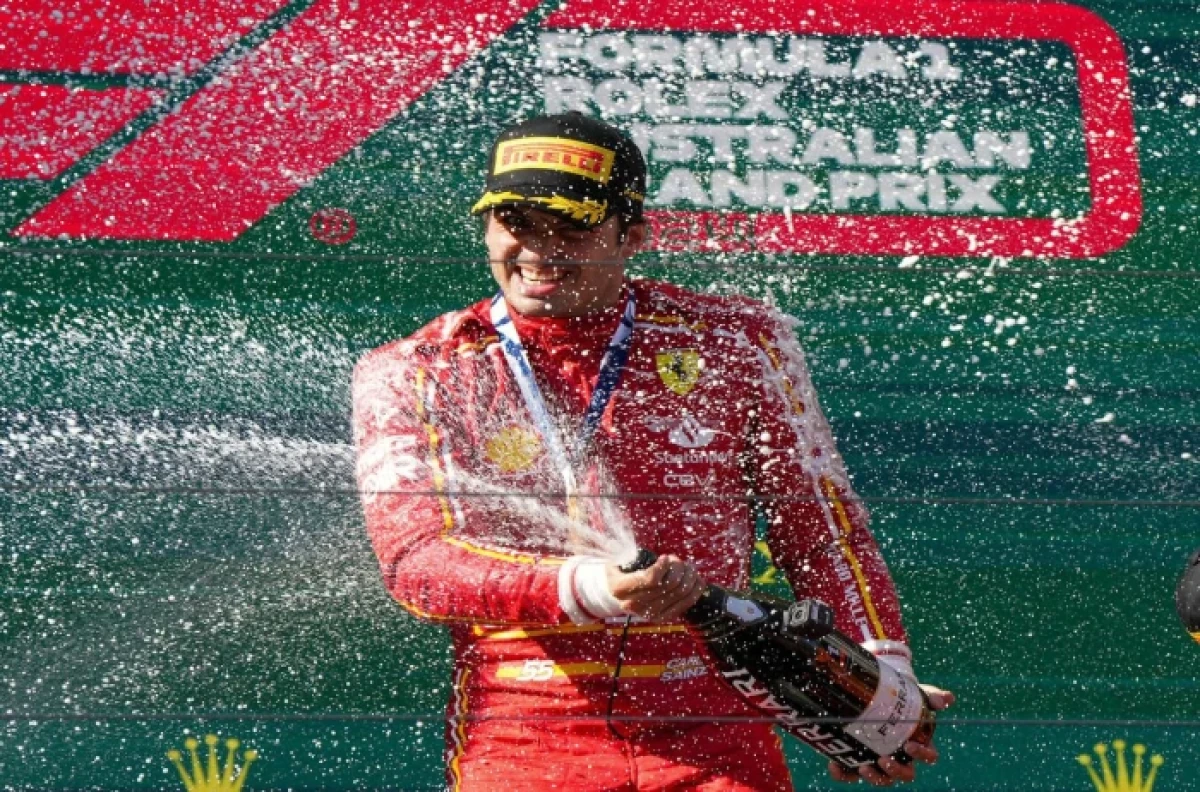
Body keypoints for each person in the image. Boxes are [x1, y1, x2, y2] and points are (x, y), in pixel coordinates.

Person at [352, 112, 953, 791]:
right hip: (526, 729)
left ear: (633, 234)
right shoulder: (420, 369)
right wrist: (593, 589)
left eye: (571, 228)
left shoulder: (736, 343)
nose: (538, 250)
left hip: (719, 723)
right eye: (515, 222)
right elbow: (417, 564)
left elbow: (819, 531)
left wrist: (880, 675)